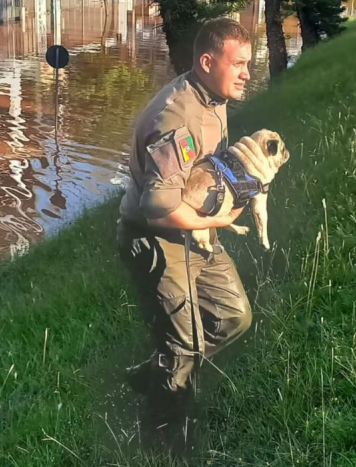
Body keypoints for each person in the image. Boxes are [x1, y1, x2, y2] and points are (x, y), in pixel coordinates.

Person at [116, 18, 254, 430]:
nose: (248, 73)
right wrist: (222, 220)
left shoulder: (213, 96)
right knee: (185, 345)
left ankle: (161, 370)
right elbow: (157, 205)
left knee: (235, 317)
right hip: (156, 237)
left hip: (195, 230)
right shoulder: (178, 118)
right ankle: (163, 440)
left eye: (249, 63)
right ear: (208, 62)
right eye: (240, 64)